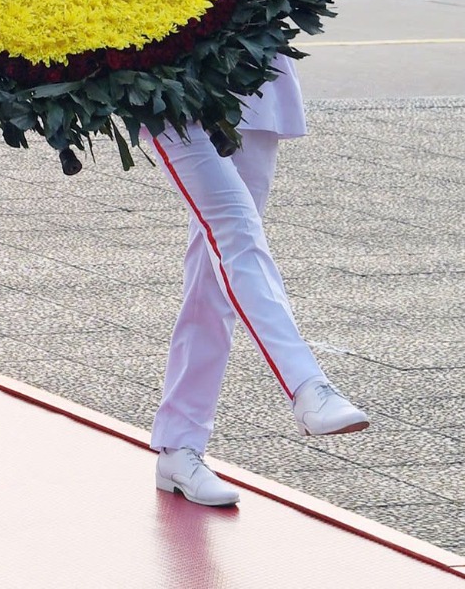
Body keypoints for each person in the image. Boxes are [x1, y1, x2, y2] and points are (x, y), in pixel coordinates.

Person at [147, 55, 369, 506]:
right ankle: (308, 386)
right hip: (166, 80)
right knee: (236, 231)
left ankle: (178, 445)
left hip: (253, 78)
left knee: (213, 274)